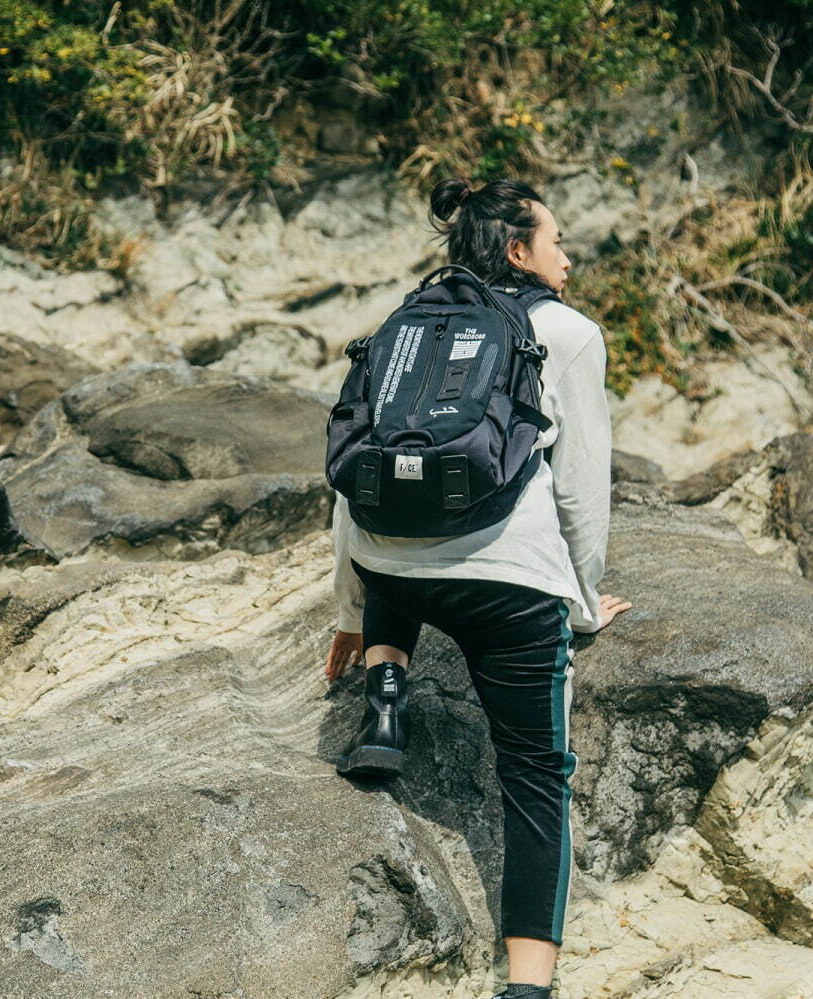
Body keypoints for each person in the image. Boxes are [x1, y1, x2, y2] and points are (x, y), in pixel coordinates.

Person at [324, 177, 632, 999]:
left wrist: (352, 610)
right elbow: (580, 490)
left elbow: (360, 474)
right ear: (518, 251)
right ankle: (528, 986)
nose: (569, 256)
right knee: (535, 773)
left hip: (392, 574)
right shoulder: (567, 333)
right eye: (558, 241)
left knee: (411, 515)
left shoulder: (406, 322)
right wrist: (583, 599)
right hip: (505, 588)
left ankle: (387, 690)